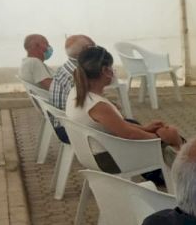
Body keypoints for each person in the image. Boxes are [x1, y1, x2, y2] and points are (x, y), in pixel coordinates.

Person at [65, 46, 183, 187]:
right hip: (109, 159)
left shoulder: (77, 93)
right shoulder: (97, 105)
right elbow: (129, 134)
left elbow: (120, 125)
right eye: (112, 67)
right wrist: (162, 138)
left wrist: (145, 129)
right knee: (173, 136)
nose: (114, 71)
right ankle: (189, 175)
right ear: (105, 71)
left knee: (160, 132)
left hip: (93, 155)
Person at [50, 34, 94, 112]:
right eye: (94, 48)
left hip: (61, 115)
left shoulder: (66, 67)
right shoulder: (78, 72)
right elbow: (91, 103)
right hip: (69, 117)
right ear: (87, 49)